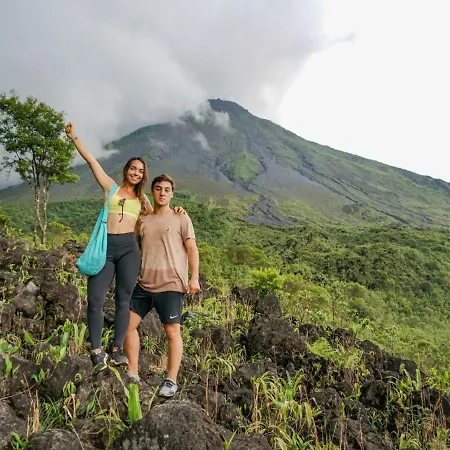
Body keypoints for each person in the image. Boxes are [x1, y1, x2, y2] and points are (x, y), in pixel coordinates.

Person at [65, 123, 182, 370]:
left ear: (143, 176)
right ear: (126, 170)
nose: (136, 173)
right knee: (95, 299)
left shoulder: (143, 200)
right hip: (107, 249)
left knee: (123, 301)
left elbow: (160, 215)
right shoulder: (111, 188)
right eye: (133, 168)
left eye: (141, 171)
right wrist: (74, 137)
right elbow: (91, 161)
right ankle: (96, 350)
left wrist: (178, 211)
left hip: (129, 250)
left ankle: (117, 349)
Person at [124, 173, 200, 397]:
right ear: (153, 191)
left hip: (171, 283)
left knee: (172, 331)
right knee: (127, 325)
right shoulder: (144, 221)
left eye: (167, 190)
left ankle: (171, 380)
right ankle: (132, 373)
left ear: (172, 194)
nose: (162, 193)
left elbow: (192, 248)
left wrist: (194, 277)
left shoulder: (181, 218)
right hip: (145, 283)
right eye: (158, 189)